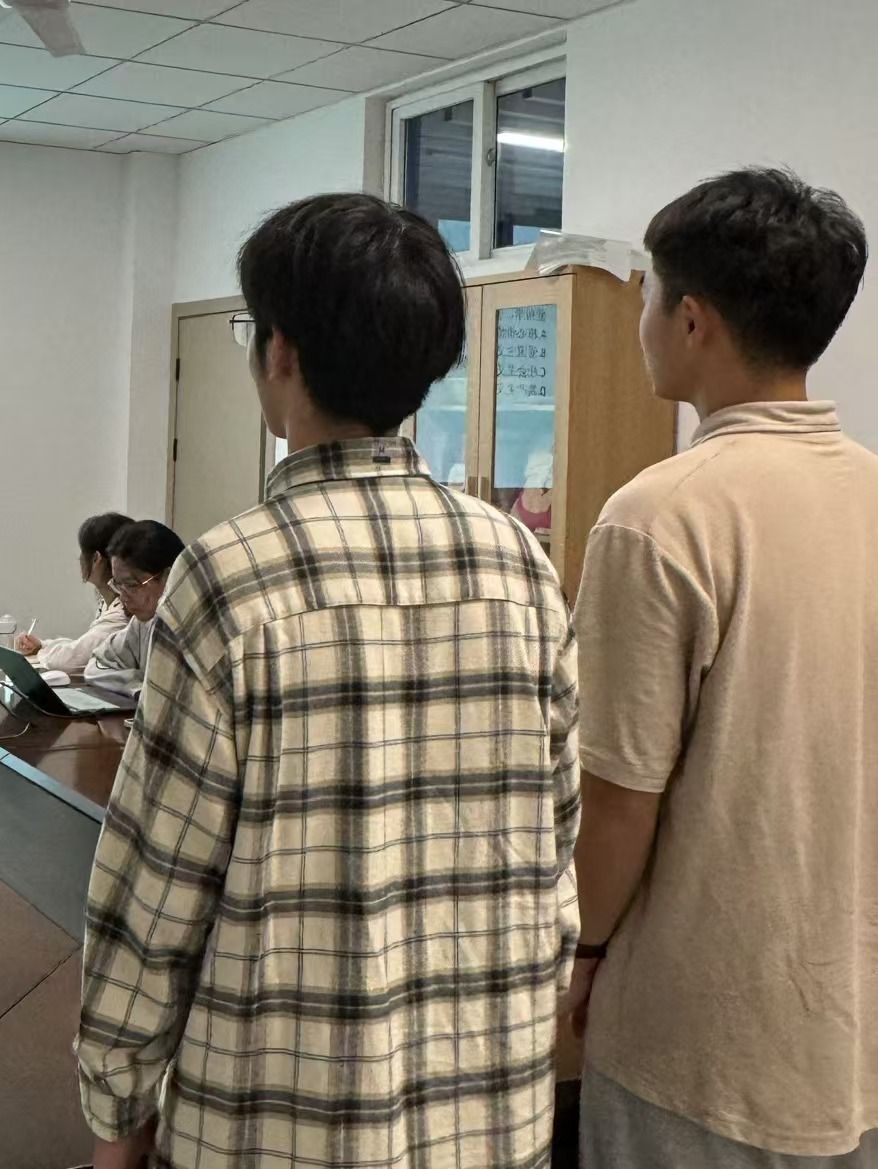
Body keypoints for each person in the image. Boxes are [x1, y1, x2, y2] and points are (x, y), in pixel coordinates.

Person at [76, 193, 579, 1169]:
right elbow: (554, 854)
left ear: (280, 352)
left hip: (274, 1121)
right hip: (488, 1114)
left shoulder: (229, 576)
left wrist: (116, 1108)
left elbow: (154, 894)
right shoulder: (519, 563)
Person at [567, 168, 878, 1166]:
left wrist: (580, 948)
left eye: (649, 296)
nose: (643, 322)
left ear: (691, 319)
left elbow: (619, 798)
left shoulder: (659, 515)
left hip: (698, 1036)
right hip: (850, 1031)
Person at [16, 511, 132, 673]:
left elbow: (70, 660)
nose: (80, 558)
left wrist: (42, 652)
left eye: (83, 551)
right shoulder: (108, 602)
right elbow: (84, 645)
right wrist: (42, 646)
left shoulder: (123, 612)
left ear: (96, 558)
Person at [84, 520, 183, 675]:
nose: (123, 597)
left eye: (131, 585)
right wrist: (136, 685)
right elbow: (98, 662)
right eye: (118, 584)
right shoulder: (141, 624)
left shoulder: (201, 628)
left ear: (168, 576)